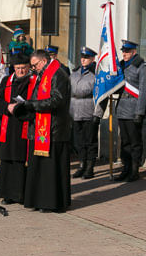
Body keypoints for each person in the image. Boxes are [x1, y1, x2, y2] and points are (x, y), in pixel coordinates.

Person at [12, 49, 72, 212]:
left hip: (54, 129)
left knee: (51, 169)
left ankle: (52, 202)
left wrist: (31, 105)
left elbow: (57, 100)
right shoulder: (43, 75)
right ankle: (40, 200)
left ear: (43, 61)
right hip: (40, 127)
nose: (33, 69)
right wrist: (27, 105)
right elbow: (39, 97)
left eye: (34, 65)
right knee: (39, 167)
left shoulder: (58, 74)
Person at [0, 53, 32, 204]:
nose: (21, 71)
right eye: (18, 68)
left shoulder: (33, 82)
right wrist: (7, 106)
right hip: (8, 125)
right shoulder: (7, 81)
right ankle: (7, 194)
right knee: (7, 160)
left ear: (28, 68)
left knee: (20, 160)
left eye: (24, 68)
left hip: (24, 124)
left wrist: (21, 107)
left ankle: (21, 194)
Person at [114, 40, 146, 182]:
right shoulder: (121, 66)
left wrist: (140, 112)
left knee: (134, 141)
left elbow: (144, 90)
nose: (124, 54)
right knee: (124, 142)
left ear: (133, 52)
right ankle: (126, 167)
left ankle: (135, 170)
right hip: (122, 107)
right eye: (123, 51)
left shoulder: (142, 67)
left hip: (134, 108)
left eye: (127, 51)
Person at [70, 47, 105, 179]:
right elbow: (69, 93)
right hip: (75, 111)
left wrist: (98, 114)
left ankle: (90, 168)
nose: (83, 60)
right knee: (79, 142)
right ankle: (81, 165)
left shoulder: (96, 74)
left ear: (92, 59)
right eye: (82, 57)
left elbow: (101, 96)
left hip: (89, 111)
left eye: (86, 57)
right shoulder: (75, 73)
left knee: (90, 142)